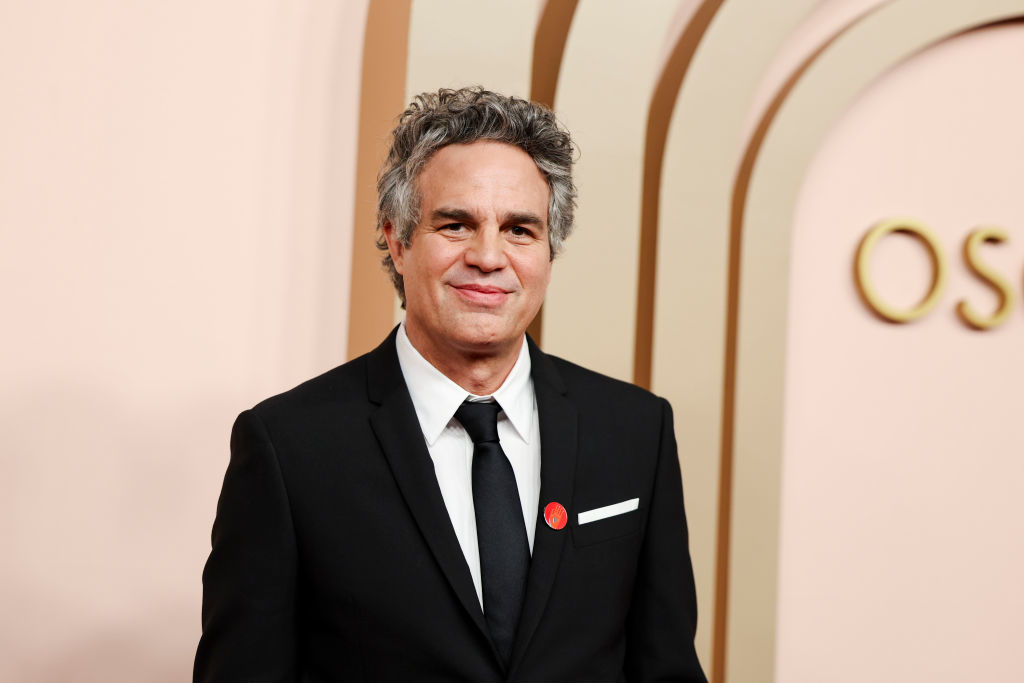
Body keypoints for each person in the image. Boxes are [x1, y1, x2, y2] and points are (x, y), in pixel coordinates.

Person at [194, 86, 706, 682]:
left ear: (549, 250)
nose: (489, 257)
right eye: (456, 224)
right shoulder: (288, 447)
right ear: (397, 237)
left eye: (520, 230)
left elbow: (666, 668)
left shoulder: (635, 431)